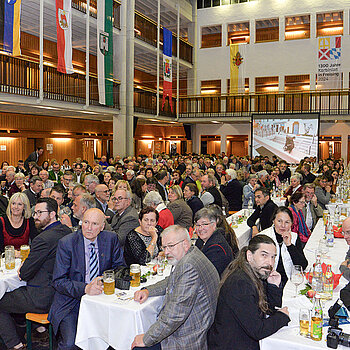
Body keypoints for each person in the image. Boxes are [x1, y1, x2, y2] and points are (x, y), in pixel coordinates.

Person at [132, 225, 219, 350]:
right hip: (199, 324)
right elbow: (173, 279)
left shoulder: (188, 266)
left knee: (137, 343)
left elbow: (174, 316)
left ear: (184, 244)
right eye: (164, 247)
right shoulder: (192, 254)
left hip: (188, 338)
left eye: (171, 246)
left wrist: (146, 339)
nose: (166, 252)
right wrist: (148, 290)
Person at [0, 198, 71, 350]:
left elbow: (25, 274)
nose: (35, 216)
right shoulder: (66, 231)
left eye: (40, 212)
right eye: (34, 212)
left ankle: (16, 345)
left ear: (52, 214)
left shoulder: (43, 239)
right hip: (63, 293)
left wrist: (26, 267)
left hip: (43, 297)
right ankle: (40, 331)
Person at [48, 208, 125, 350]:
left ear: (102, 227)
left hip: (102, 299)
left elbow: (120, 267)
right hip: (71, 301)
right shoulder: (67, 243)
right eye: (86, 222)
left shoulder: (111, 239)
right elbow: (58, 281)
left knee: (116, 338)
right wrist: (85, 288)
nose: (89, 228)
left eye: (94, 224)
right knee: (71, 344)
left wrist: (103, 279)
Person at [208, 234, 290, 350]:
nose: (270, 263)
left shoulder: (255, 273)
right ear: (249, 256)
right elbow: (258, 330)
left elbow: (268, 311)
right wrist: (283, 316)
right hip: (231, 344)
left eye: (273, 257)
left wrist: (273, 286)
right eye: (264, 255)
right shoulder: (240, 283)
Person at [258, 207, 308, 287]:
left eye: (287, 222)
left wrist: (289, 245)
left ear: (291, 224)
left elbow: (303, 265)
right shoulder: (263, 237)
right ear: (273, 221)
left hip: (289, 281)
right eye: (279, 221)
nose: (283, 225)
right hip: (267, 281)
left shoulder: (294, 237)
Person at [194, 207, 233, 276]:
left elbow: (206, 275)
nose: (200, 228)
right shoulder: (203, 240)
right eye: (198, 225)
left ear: (214, 225)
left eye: (205, 224)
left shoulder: (216, 248)